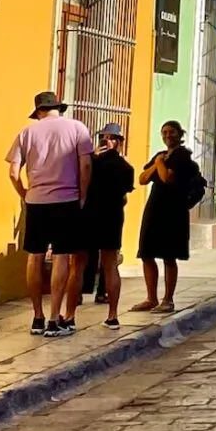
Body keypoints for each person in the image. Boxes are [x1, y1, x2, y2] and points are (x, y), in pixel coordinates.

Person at [6, 89, 95, 337]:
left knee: (34, 257)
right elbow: (86, 165)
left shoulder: (26, 133)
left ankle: (37, 317)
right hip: (66, 199)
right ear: (58, 107)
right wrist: (83, 194)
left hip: (36, 201)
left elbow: (13, 172)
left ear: (38, 112)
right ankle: (55, 319)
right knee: (61, 257)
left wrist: (24, 193)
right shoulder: (77, 128)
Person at [136, 121, 204, 311]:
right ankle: (151, 298)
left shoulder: (182, 156)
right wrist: (157, 163)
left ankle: (168, 300)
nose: (168, 135)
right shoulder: (161, 155)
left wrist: (159, 164)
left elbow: (166, 178)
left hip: (173, 210)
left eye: (171, 132)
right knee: (146, 253)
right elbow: (142, 179)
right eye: (164, 132)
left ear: (179, 134)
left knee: (169, 255)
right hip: (154, 207)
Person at [78, 124, 135, 326]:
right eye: (106, 137)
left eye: (109, 138)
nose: (107, 141)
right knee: (107, 264)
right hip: (112, 216)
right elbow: (125, 193)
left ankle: (69, 314)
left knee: (81, 262)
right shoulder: (125, 167)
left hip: (90, 215)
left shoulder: (91, 161)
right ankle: (112, 315)